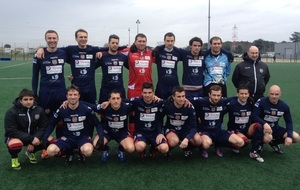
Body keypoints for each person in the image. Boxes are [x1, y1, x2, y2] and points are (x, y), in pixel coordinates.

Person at [43, 85, 104, 165]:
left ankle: (80, 152)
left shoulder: (86, 109)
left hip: (82, 137)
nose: (73, 97)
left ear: (79, 96)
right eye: (70, 95)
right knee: (50, 151)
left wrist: (101, 137)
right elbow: (52, 124)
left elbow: (97, 123)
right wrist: (45, 137)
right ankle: (65, 152)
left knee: (88, 151)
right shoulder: (62, 109)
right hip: (67, 138)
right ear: (66, 96)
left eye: (75, 94)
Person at [32, 30, 67, 146]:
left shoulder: (63, 52)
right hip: (45, 92)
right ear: (46, 40)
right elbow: (35, 76)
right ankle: (45, 146)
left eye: (54, 38)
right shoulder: (39, 54)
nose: (52, 40)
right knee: (45, 120)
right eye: (49, 38)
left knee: (61, 120)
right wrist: (34, 93)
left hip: (61, 92)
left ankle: (60, 145)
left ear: (58, 39)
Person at [191, 85, 244, 158]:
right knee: (206, 144)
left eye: (218, 95)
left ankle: (218, 144)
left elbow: (238, 97)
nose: (216, 97)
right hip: (205, 131)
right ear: (209, 94)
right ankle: (202, 148)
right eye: (214, 95)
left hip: (218, 131)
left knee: (240, 142)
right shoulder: (201, 101)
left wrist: (250, 99)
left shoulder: (223, 101)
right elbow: (186, 99)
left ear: (221, 95)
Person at [4, 89, 48, 170]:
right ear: (20, 100)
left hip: (32, 136)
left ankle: (30, 152)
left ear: (33, 100)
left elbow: (43, 126)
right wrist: (31, 139)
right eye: (25, 99)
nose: (28, 102)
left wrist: (36, 138)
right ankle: (14, 158)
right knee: (15, 145)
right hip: (17, 137)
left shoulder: (39, 110)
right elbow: (11, 130)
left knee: (48, 139)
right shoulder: (12, 112)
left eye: (31, 99)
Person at [226, 86, 272, 162]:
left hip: (247, 129)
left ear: (248, 94)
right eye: (241, 93)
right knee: (244, 142)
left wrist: (265, 124)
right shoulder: (231, 103)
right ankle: (233, 145)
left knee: (259, 127)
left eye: (245, 94)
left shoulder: (251, 102)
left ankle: (254, 151)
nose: (244, 96)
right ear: (237, 94)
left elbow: (255, 116)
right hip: (235, 130)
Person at [251, 85, 300, 156]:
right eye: (272, 94)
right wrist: (264, 124)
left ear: (280, 94)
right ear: (268, 93)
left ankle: (274, 142)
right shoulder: (261, 102)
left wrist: (289, 136)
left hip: (275, 128)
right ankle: (259, 144)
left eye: (276, 94)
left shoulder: (284, 106)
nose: (274, 96)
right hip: (262, 128)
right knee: (268, 138)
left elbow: (289, 122)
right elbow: (254, 116)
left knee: (296, 137)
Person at [92, 89, 135, 162]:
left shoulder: (127, 107)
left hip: (122, 133)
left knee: (130, 149)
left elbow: (140, 102)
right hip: (107, 132)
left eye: (118, 98)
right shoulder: (104, 107)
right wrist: (71, 102)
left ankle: (120, 149)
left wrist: (153, 97)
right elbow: (90, 106)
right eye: (113, 98)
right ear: (109, 100)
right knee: (96, 145)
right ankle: (106, 149)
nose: (116, 101)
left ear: (121, 99)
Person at [130, 82, 169, 160]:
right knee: (139, 147)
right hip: (141, 132)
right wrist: (109, 102)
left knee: (165, 149)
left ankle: (153, 148)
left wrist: (160, 133)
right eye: (145, 93)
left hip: (155, 132)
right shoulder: (137, 101)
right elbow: (122, 101)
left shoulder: (158, 102)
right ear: (142, 93)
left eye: (149, 93)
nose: (147, 95)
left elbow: (171, 102)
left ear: (153, 93)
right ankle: (142, 150)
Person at [127, 33, 156, 136]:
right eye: (139, 41)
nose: (141, 43)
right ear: (135, 42)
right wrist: (100, 52)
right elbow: (114, 50)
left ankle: (149, 136)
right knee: (133, 113)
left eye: (143, 41)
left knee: (149, 113)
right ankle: (132, 135)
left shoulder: (151, 53)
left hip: (148, 89)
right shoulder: (129, 51)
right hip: (133, 89)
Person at [163, 86, 202, 158]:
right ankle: (167, 149)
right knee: (174, 141)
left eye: (183, 96)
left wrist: (187, 139)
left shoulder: (189, 107)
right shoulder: (167, 105)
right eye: (178, 96)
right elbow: (159, 117)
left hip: (185, 129)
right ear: (173, 97)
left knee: (198, 140)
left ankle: (187, 149)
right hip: (172, 129)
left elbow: (194, 127)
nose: (181, 99)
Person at [96, 34, 128, 104]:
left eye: (117, 43)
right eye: (113, 43)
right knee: (104, 111)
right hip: (106, 89)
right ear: (109, 43)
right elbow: (91, 68)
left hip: (119, 88)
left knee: (121, 109)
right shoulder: (102, 57)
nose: (115, 45)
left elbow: (131, 68)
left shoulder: (123, 57)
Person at [153, 32, 182, 99]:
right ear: (164, 41)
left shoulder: (178, 53)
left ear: (174, 41)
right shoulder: (158, 52)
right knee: (160, 105)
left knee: (175, 106)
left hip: (174, 84)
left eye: (172, 41)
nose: (170, 43)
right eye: (168, 41)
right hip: (161, 85)